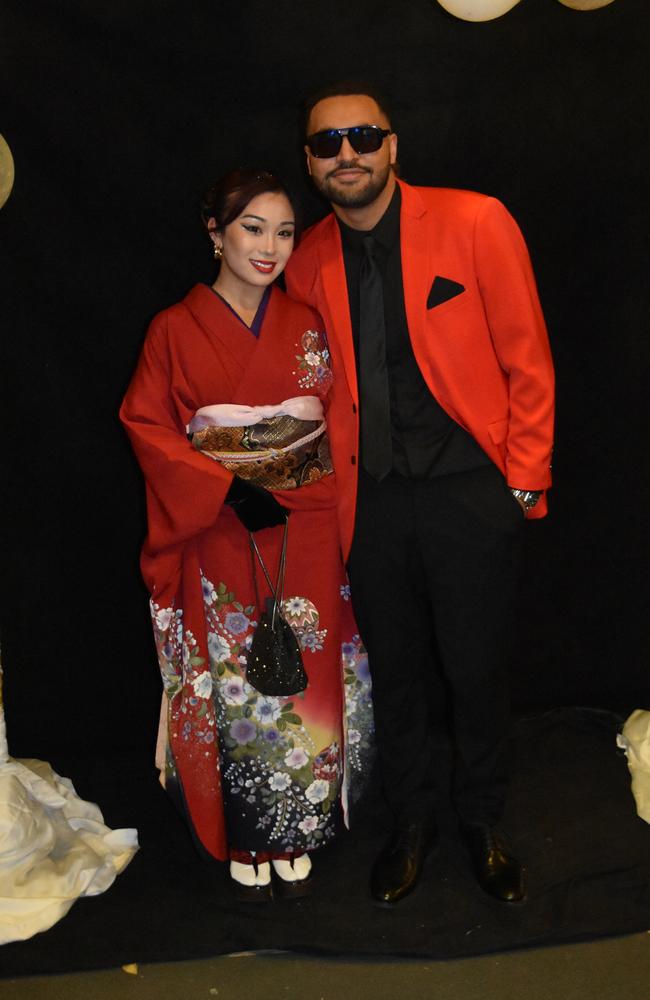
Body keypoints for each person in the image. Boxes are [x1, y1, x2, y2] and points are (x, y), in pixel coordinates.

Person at [285, 84, 555, 905]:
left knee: (475, 671)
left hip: (470, 490)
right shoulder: (308, 261)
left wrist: (521, 484)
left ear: (392, 145)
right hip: (369, 504)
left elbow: (528, 359)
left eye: (362, 136)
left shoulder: (476, 220)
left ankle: (481, 818)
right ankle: (412, 823)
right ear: (311, 163)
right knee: (394, 671)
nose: (347, 155)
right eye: (328, 144)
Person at [120, 168, 371, 900]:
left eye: (285, 231)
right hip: (221, 523)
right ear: (215, 233)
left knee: (308, 672)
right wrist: (225, 484)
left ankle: (298, 822)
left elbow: (339, 419)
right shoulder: (173, 328)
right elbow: (147, 424)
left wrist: (313, 491)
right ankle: (247, 828)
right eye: (253, 228)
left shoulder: (308, 324)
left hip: (307, 522)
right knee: (237, 680)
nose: (271, 247)